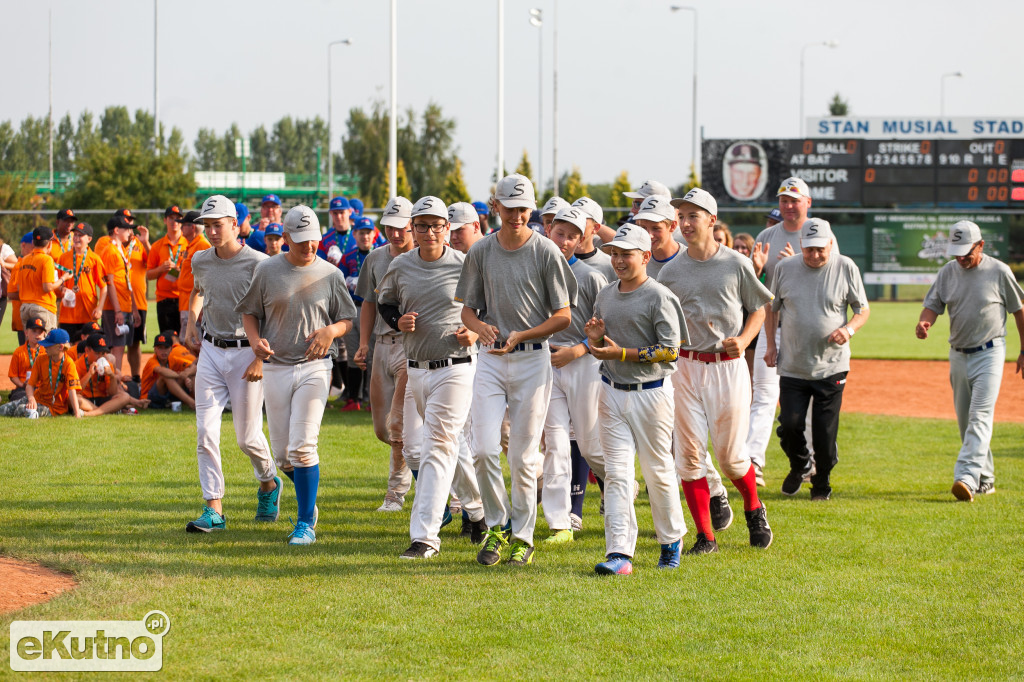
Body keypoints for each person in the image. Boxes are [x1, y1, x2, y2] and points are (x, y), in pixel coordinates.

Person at [455, 172, 578, 567]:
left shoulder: (545, 251)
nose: (518, 215)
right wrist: (479, 327)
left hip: (531, 360)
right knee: (484, 450)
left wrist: (523, 332)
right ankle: (497, 526)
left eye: (524, 208)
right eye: (510, 208)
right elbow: (467, 311)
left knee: (523, 457)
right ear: (496, 207)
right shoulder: (480, 251)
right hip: (491, 360)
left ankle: (523, 536)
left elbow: (563, 315)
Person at [660, 188, 774, 554]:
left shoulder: (735, 264)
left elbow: (759, 308)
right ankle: (705, 536)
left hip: (727, 368)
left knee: (729, 457)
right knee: (689, 456)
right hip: (686, 367)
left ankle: (754, 507)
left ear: (712, 219)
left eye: (694, 215)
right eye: (682, 216)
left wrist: (744, 339)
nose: (686, 223)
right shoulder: (671, 270)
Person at [238, 204, 357, 546]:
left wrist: (330, 332)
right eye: (301, 240)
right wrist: (254, 341)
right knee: (282, 455)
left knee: (304, 447)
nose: (309, 247)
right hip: (276, 366)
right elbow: (249, 313)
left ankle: (305, 522)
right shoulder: (267, 271)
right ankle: (309, 502)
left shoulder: (330, 274)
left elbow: (347, 319)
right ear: (285, 237)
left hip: (315, 367)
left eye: (314, 240)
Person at [376, 196, 485, 558]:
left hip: (456, 365)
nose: (429, 232)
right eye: (421, 225)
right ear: (413, 228)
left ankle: (425, 537)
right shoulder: (400, 264)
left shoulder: (466, 263)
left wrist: (475, 330)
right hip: (416, 367)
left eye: (436, 225)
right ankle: (478, 510)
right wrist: (398, 322)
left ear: (447, 228)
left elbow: (486, 303)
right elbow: (386, 302)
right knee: (441, 448)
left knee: (438, 445)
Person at [586, 223, 687, 575]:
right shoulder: (605, 294)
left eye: (626, 253)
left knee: (658, 472)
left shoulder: (659, 296)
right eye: (614, 253)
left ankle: (670, 541)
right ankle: (619, 554)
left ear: (645, 256)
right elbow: (601, 348)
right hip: (611, 391)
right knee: (615, 474)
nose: (618, 260)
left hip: (652, 394)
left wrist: (623, 354)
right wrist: (597, 340)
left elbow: (671, 351)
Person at [180, 195, 280, 533]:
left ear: (235, 224)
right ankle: (214, 510)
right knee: (205, 431)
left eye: (216, 224)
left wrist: (260, 359)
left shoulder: (260, 263)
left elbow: (273, 316)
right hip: (210, 349)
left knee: (247, 438)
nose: (210, 231)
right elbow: (197, 291)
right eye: (206, 225)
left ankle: (269, 483)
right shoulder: (200, 259)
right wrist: (192, 323)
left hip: (246, 353)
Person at [634, 194, 734, 530]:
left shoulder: (685, 259)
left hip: (694, 361)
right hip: (657, 361)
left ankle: (716, 492)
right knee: (673, 438)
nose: (648, 233)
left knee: (686, 439)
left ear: (672, 226)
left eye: (655, 227)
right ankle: (688, 510)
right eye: (641, 225)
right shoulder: (637, 259)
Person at [916, 220, 1024, 502]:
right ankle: (986, 479)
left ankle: (965, 476)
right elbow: (933, 305)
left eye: (967, 251)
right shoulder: (948, 272)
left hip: (990, 351)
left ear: (981, 245)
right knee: (966, 422)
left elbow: (1019, 310)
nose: (962, 257)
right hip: (958, 353)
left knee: (980, 417)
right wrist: (924, 323)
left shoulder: (999, 271)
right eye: (957, 251)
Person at [764, 218, 870, 500]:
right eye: (809, 249)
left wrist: (848, 330)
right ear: (801, 245)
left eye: (820, 249)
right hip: (794, 365)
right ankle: (800, 463)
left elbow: (862, 310)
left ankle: (821, 483)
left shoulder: (845, 267)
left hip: (832, 366)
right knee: (789, 426)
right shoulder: (786, 268)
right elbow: (771, 308)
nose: (814, 255)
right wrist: (771, 346)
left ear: (830, 245)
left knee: (824, 434)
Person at [542, 206, 609, 542]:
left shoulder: (592, 276)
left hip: (584, 363)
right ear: (549, 231)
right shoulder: (534, 269)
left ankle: (617, 482)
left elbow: (606, 327)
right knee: (554, 443)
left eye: (572, 236)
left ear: (581, 239)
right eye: (560, 233)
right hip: (546, 362)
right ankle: (561, 521)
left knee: (589, 444)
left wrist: (579, 349)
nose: (565, 241)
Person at [744, 177, 812, 486]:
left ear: (806, 203)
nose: (788, 205)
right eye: (783, 199)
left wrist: (795, 265)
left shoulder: (818, 235)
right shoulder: (767, 235)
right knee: (764, 395)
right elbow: (751, 288)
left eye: (794, 200)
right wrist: (756, 268)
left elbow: (826, 282)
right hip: (772, 326)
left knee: (806, 402)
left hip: (806, 331)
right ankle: (753, 461)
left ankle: (809, 462)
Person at [353, 197, 416, 512]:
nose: (395, 233)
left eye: (401, 227)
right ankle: (422, 462)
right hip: (381, 343)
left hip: (412, 346)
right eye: (390, 227)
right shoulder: (375, 259)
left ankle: (395, 494)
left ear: (412, 226)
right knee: (382, 428)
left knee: (398, 427)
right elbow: (367, 302)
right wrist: (364, 343)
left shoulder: (423, 258)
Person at [0, 328, 82, 418]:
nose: (45, 347)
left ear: (60, 347)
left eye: (49, 345)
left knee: (20, 410)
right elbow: (30, 385)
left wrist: (77, 413)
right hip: (36, 398)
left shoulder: (69, 364)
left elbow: (72, 390)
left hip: (53, 407)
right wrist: (31, 399)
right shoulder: (41, 359)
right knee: (2, 410)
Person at [100, 217, 145, 377]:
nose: (130, 232)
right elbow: (110, 282)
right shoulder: (110, 251)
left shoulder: (121, 250)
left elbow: (127, 281)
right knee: (116, 347)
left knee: (120, 346)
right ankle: (114, 386)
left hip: (124, 305)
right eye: (126, 229)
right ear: (116, 230)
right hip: (115, 307)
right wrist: (118, 310)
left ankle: (115, 383)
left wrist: (133, 309)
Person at [56, 222, 106, 341]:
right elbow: (58, 283)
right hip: (68, 315)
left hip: (88, 313)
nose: (77, 238)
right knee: (68, 349)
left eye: (80, 236)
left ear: (89, 239)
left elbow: (104, 286)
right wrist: (62, 289)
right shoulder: (63, 258)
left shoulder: (94, 259)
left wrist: (99, 308)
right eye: (75, 235)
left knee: (89, 349)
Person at [75, 333, 148, 416]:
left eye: (103, 353)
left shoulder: (107, 364)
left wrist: (112, 376)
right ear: (87, 350)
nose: (100, 356)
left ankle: (91, 413)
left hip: (103, 399)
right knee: (74, 399)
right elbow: (77, 391)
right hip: (86, 400)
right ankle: (108, 410)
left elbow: (112, 393)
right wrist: (89, 374)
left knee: (125, 397)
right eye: (97, 353)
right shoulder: (77, 365)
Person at [147, 206, 189, 334]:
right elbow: (149, 275)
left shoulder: (188, 243)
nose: (174, 221)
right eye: (171, 218)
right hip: (163, 300)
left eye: (178, 218)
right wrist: (161, 269)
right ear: (165, 220)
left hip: (183, 299)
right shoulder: (157, 246)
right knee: (167, 340)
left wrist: (179, 269)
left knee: (185, 341)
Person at [18, 226, 61, 331]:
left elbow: (19, 287)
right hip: (42, 306)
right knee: (47, 345)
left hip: (25, 307)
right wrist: (62, 279)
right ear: (50, 243)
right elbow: (47, 287)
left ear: (33, 242)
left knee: (32, 344)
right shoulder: (46, 259)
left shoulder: (24, 259)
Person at [142, 332, 197, 410]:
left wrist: (186, 375)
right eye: (160, 348)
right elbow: (161, 371)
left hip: (167, 397)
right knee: (166, 376)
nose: (163, 351)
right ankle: (192, 404)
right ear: (155, 349)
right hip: (149, 398)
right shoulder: (152, 361)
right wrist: (182, 375)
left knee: (191, 373)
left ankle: (200, 402)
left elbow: (194, 367)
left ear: (171, 349)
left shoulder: (172, 359)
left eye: (166, 347)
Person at [177, 210, 211, 332]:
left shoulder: (201, 245)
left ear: (192, 227)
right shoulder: (192, 245)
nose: (181, 227)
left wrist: (201, 307)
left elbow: (206, 278)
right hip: (186, 302)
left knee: (193, 344)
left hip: (194, 305)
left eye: (183, 224)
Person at [571, 197, 616, 281]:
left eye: (581, 220)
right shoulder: (558, 258)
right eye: (571, 219)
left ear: (595, 228)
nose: (575, 223)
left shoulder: (609, 265)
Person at [7, 316, 47, 403]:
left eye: (40, 332)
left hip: (41, 388)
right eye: (34, 331)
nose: (37, 335)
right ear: (26, 333)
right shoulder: (19, 351)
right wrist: (23, 385)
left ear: (44, 334)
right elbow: (13, 375)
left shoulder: (47, 351)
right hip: (23, 388)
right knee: (17, 397)